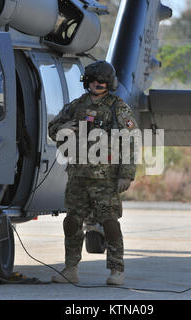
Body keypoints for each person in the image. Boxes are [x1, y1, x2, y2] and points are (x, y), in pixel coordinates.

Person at [48, 60, 138, 285]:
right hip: (78, 175)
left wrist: (126, 174)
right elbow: (53, 128)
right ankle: (71, 269)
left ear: (109, 83)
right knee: (72, 222)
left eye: (102, 82)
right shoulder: (76, 106)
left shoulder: (118, 107)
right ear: (86, 82)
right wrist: (64, 130)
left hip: (105, 178)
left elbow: (131, 140)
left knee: (109, 222)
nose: (97, 85)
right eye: (93, 81)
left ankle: (117, 270)